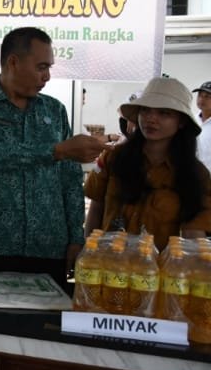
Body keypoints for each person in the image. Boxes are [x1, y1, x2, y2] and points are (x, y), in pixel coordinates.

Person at [0, 27, 107, 288]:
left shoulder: (54, 110)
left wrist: (75, 237)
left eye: (49, 68)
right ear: (13, 62)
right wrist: (58, 151)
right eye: (41, 67)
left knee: (43, 327)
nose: (47, 76)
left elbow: (70, 180)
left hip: (48, 247)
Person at [85, 77, 211, 250]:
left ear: (181, 121)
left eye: (164, 113)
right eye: (145, 110)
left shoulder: (196, 174)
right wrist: (88, 251)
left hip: (156, 271)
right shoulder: (113, 158)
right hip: (109, 265)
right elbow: (96, 208)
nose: (151, 119)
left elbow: (194, 232)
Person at [193, 81, 211, 171]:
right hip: (192, 175)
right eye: (200, 95)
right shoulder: (192, 120)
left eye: (207, 96)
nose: (202, 99)